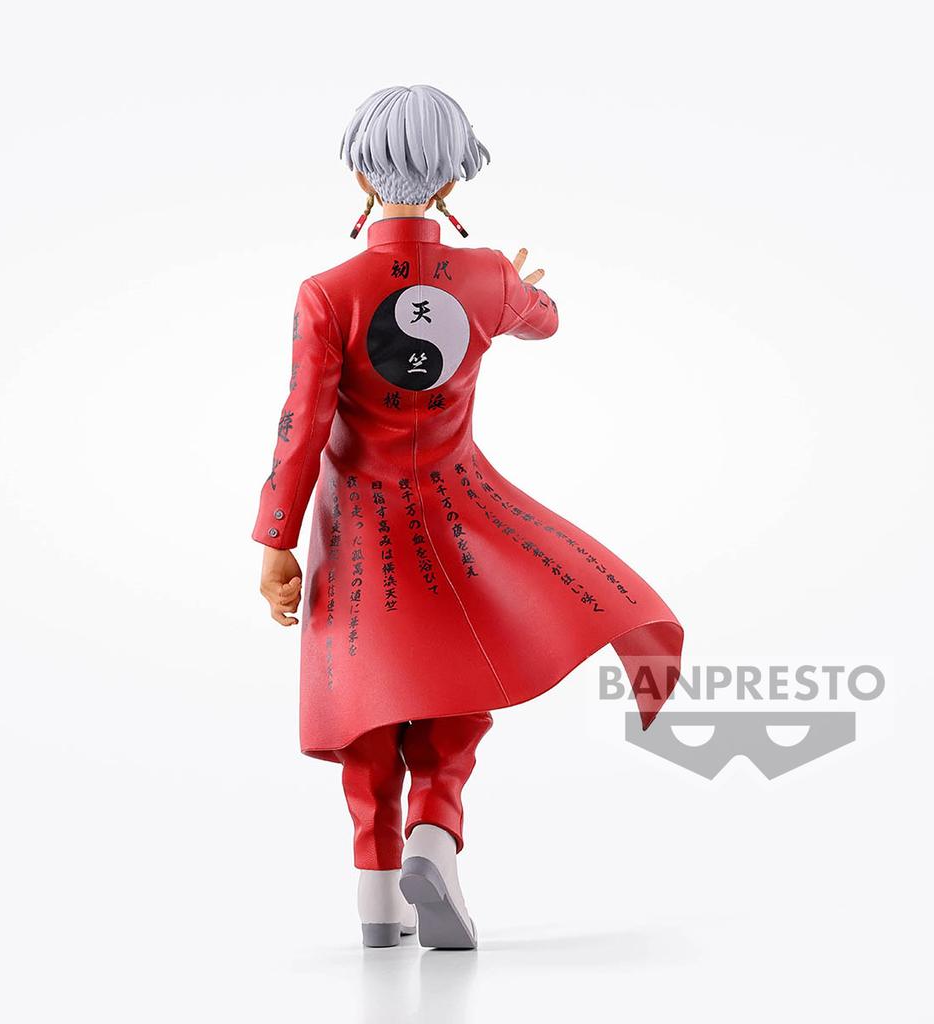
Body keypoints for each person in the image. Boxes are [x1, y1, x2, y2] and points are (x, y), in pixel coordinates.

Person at [253, 85, 683, 949]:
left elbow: (302, 424)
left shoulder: (326, 293)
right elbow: (545, 321)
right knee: (455, 684)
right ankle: (435, 836)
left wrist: (275, 540)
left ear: (359, 175)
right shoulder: (486, 277)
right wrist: (514, 287)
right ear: (454, 178)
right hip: (458, 517)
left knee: (369, 702)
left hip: (356, 534)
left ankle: (377, 904)